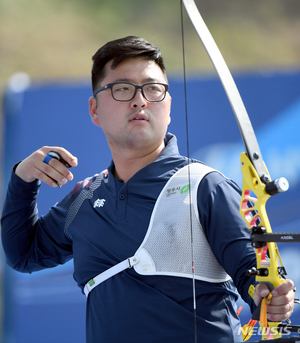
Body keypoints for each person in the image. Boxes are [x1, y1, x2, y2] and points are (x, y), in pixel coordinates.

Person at [1, 36, 295, 343]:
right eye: (123, 88)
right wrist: (23, 179)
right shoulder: (85, 198)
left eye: (153, 88)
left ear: (168, 105)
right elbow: (23, 254)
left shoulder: (205, 186)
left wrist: (270, 297)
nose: (140, 100)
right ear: (94, 110)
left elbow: (254, 274)